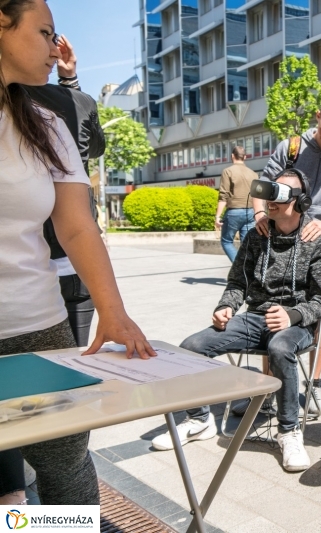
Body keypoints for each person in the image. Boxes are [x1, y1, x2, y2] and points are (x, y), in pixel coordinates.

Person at [0, 0, 154, 506]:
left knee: (66, 468)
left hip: (37, 326)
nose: (54, 47)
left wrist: (113, 311)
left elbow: (76, 226)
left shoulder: (46, 122)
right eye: (44, 32)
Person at [151, 170, 321, 472]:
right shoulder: (256, 235)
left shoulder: (315, 240)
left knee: (280, 349)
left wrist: (293, 315)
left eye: (279, 194)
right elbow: (237, 283)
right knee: (191, 346)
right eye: (269, 192)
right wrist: (226, 306)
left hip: (297, 324)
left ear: (299, 201)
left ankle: (289, 431)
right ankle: (198, 419)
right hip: (254, 317)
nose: (269, 201)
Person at [252, 95, 321, 418]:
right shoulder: (290, 148)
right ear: (318, 116)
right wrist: (260, 215)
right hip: (280, 243)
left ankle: (313, 385)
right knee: (270, 310)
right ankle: (269, 387)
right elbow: (261, 185)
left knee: (320, 315)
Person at [25, 34, 105, 348]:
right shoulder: (79, 103)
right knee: (78, 356)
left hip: (30, 260)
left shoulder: (15, 101)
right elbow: (96, 147)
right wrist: (69, 81)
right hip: (80, 254)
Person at [215, 145, 258, 262]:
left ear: (232, 156)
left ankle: (239, 269)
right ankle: (247, 274)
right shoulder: (253, 173)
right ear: (245, 157)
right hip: (250, 212)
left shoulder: (228, 171)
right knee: (246, 245)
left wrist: (218, 216)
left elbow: (223, 195)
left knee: (226, 241)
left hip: (234, 212)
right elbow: (257, 196)